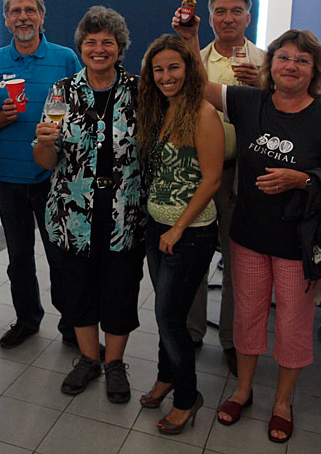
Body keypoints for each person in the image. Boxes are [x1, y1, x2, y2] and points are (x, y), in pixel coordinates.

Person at [178, 18, 321, 443]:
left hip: (299, 243)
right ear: (270, 64)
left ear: (315, 71)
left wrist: (304, 180)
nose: (291, 66)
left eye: (302, 60)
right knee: (247, 316)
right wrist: (190, 38)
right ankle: (243, 391)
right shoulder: (249, 102)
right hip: (249, 236)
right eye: (284, 57)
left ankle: (282, 402)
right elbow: (198, 85)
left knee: (293, 324)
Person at [33, 6, 145, 403]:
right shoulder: (62, 92)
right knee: (77, 290)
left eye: (107, 42)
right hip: (72, 213)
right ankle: (87, 359)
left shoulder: (138, 90)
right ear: (80, 47)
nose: (99, 49)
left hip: (124, 212)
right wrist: (44, 143)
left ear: (120, 47)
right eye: (91, 42)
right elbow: (46, 161)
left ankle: (114, 364)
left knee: (120, 290)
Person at [0, 0, 82, 350]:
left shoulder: (65, 59)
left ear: (41, 16)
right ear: (6, 20)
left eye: (29, 10)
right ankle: (27, 319)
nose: (23, 17)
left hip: (56, 176)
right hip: (9, 176)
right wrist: (0, 118)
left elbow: (82, 109)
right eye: (15, 11)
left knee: (61, 257)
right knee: (18, 257)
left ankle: (73, 327)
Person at [136, 34, 224, 434]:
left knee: (170, 318)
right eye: (158, 69)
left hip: (189, 233)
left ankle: (187, 398)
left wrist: (178, 227)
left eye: (174, 67)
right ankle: (165, 377)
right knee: (166, 312)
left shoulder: (203, 113)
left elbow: (211, 179)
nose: (166, 76)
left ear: (189, 69)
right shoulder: (161, 109)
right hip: (157, 226)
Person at [180, 0, 266, 376]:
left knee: (239, 264)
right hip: (198, 172)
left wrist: (261, 88)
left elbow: (284, 115)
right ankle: (191, 333)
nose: (228, 18)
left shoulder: (266, 64)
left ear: (249, 16)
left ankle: (233, 341)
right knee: (193, 258)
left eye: (236, 11)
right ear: (210, 17)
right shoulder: (193, 59)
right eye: (220, 11)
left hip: (243, 176)